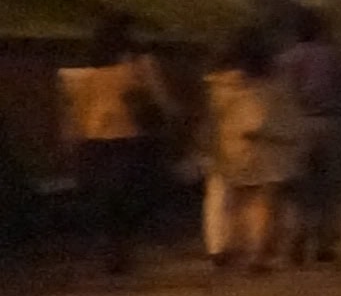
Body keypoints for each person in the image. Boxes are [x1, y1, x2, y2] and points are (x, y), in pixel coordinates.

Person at [54, 16, 174, 278]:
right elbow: (162, 102)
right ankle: (121, 249)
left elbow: (71, 114)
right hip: (131, 139)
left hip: (91, 142)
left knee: (104, 201)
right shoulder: (140, 67)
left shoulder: (78, 75)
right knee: (130, 197)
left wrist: (69, 142)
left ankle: (111, 249)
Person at [198, 28, 312, 275]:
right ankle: (258, 255)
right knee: (265, 201)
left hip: (233, 144)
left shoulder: (219, 83)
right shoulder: (274, 81)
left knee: (238, 199)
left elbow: (212, 117)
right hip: (269, 143)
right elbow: (289, 111)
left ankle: (234, 247)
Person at [276, 2, 341, 267]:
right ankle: (325, 244)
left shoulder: (286, 59)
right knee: (329, 189)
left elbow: (279, 94)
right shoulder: (333, 56)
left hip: (296, 126)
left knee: (297, 188)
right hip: (331, 124)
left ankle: (295, 243)